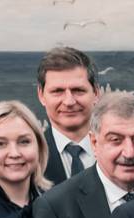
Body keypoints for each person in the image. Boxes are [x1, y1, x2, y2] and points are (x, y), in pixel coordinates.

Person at [36, 47, 100, 186]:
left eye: (78, 90)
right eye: (57, 91)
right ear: (41, 95)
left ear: (96, 93)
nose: (69, 102)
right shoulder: (30, 158)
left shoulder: (124, 151)